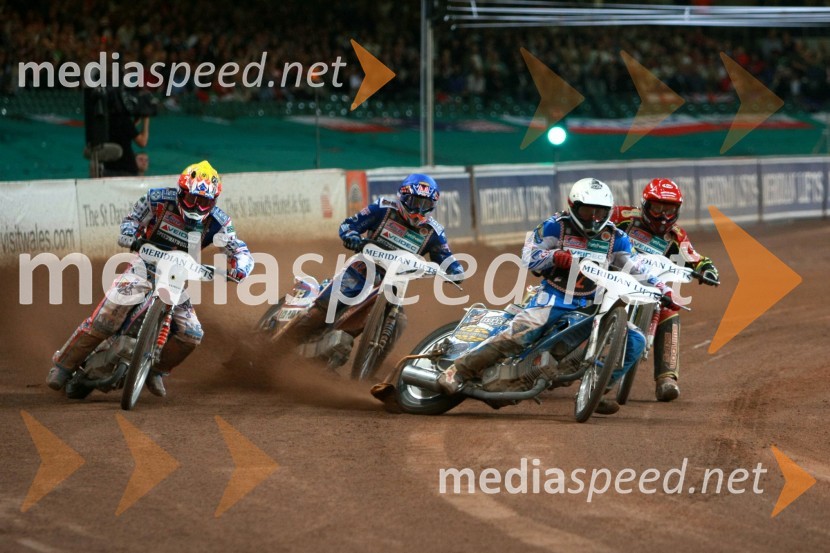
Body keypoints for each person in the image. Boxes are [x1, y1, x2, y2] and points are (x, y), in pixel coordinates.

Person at [436, 177, 679, 415]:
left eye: (600, 213)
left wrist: (663, 289)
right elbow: (528, 256)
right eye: (587, 212)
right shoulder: (555, 225)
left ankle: (595, 390)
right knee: (521, 332)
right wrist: (553, 257)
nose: (594, 219)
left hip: (595, 305)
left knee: (635, 341)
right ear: (573, 206)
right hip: (554, 296)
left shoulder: (616, 237)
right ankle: (459, 371)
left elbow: (637, 267)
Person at [46, 160, 254, 397]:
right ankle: (64, 365)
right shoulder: (157, 200)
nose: (197, 206)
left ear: (214, 201)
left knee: (192, 334)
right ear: (182, 192)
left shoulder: (219, 222)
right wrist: (130, 236)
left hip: (177, 281)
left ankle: (154, 369)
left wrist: (241, 268)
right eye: (193, 199)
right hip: (144, 268)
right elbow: (131, 221)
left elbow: (239, 250)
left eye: (205, 201)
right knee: (107, 317)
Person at [283, 173, 465, 345]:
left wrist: (455, 270)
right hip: (362, 271)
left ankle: (349, 355)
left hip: (395, 284)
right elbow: (349, 224)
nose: (419, 210)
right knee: (329, 304)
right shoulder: (382, 209)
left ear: (433, 206)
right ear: (403, 198)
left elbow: (445, 256)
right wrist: (352, 236)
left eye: (425, 205)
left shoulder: (434, 232)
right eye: (415, 202)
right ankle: (280, 342)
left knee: (398, 321)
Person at [610, 178, 719, 402]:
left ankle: (666, 379)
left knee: (670, 310)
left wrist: (707, 269)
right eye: (658, 208)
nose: (663, 216)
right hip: (609, 278)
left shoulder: (676, 236)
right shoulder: (622, 216)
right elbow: (593, 227)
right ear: (645, 205)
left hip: (648, 285)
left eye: (669, 210)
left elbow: (695, 258)